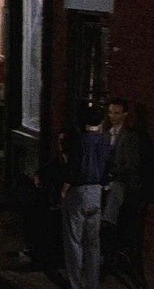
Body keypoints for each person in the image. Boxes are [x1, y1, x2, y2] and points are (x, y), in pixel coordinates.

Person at [61, 104, 113, 289]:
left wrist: (64, 190)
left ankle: (76, 284)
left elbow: (72, 169)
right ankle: (91, 284)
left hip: (78, 191)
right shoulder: (106, 140)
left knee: (74, 241)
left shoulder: (78, 142)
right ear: (102, 121)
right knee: (93, 242)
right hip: (96, 191)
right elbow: (107, 167)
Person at [100, 97, 142, 270]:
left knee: (115, 189)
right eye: (110, 113)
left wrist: (112, 173)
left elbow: (132, 166)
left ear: (125, 115)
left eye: (117, 113)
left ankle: (107, 223)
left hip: (124, 183)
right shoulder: (106, 133)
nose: (113, 117)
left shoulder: (130, 137)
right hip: (107, 181)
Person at [22, 130, 67, 270]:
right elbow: (41, 172)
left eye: (62, 142)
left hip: (64, 201)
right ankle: (36, 250)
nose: (60, 144)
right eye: (59, 141)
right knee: (32, 208)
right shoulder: (58, 160)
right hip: (51, 198)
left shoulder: (71, 162)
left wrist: (60, 199)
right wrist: (38, 179)